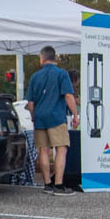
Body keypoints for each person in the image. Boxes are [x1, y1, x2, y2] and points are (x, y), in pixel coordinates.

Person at [26, 46, 79, 196]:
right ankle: (59, 185)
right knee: (61, 149)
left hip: (40, 117)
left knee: (43, 150)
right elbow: (68, 96)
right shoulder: (61, 74)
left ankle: (47, 184)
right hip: (56, 117)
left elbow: (30, 102)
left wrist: (33, 115)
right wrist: (75, 115)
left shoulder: (35, 76)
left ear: (42, 58)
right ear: (54, 57)